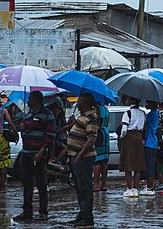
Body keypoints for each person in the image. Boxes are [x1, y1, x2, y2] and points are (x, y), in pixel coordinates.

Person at [13, 91, 56, 222]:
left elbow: (50, 135)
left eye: (30, 98)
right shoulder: (29, 114)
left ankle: (43, 212)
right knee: (26, 183)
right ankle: (27, 211)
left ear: (37, 100)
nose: (28, 100)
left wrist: (42, 151)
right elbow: (26, 129)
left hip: (38, 154)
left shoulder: (47, 115)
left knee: (41, 183)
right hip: (26, 152)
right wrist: (23, 126)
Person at [66, 93, 99, 227]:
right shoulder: (83, 117)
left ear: (85, 103)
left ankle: (87, 217)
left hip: (83, 158)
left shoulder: (91, 117)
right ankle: (82, 213)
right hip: (75, 155)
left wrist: (79, 156)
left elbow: (91, 139)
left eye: (79, 101)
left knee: (85, 188)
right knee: (79, 188)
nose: (77, 103)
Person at [118, 96, 146, 197]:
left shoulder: (127, 113)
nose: (126, 100)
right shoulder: (143, 113)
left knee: (127, 165)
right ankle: (135, 189)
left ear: (132, 100)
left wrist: (121, 137)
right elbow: (144, 128)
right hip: (138, 137)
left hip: (129, 138)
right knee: (137, 166)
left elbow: (124, 128)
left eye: (128, 99)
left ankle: (129, 189)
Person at [0, 107, 18, 193]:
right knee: (3, 164)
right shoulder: (3, 111)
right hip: (1, 138)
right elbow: (11, 124)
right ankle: (2, 187)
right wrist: (15, 134)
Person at [140, 100, 160, 196]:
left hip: (149, 143)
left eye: (148, 102)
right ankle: (149, 185)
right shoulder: (155, 113)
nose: (146, 104)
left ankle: (150, 187)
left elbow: (144, 126)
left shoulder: (152, 114)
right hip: (153, 142)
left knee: (149, 166)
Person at [93, 102, 109, 192]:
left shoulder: (97, 108)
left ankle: (96, 185)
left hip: (99, 133)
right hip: (105, 133)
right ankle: (104, 184)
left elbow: (95, 121)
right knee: (104, 160)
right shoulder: (106, 108)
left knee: (98, 160)